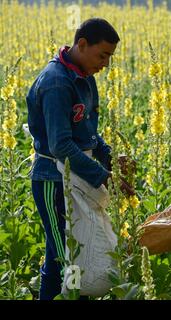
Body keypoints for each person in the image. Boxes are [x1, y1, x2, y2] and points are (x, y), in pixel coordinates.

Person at [26, 18, 134, 300]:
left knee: (79, 255)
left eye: (110, 57)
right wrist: (103, 177)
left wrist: (110, 158)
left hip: (75, 176)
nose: (106, 64)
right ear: (82, 44)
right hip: (52, 179)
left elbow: (88, 134)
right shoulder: (56, 83)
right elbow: (61, 145)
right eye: (103, 55)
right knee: (63, 257)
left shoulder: (85, 78)